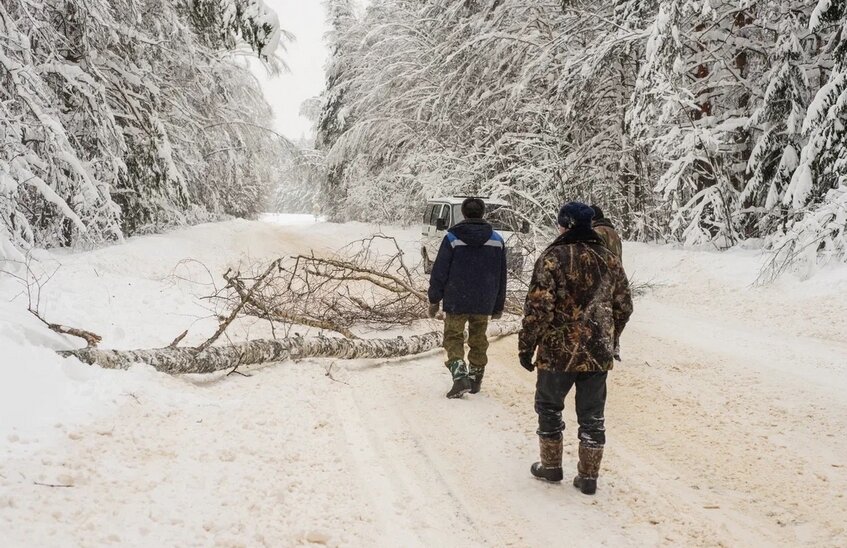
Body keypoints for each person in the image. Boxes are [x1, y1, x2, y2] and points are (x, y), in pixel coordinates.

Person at [518, 201, 633, 495]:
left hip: (557, 351)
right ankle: (588, 476)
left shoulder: (553, 258)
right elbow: (624, 306)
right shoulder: (610, 260)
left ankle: (551, 466)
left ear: (566, 225)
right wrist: (610, 335)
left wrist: (526, 345)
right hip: (597, 352)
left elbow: (538, 308)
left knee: (549, 407)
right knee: (592, 415)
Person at [428, 197, 508, 398]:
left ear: (463, 213)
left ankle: (459, 375)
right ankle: (475, 378)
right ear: (483, 213)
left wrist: (434, 299)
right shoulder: (497, 240)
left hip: (457, 298)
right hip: (484, 299)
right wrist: (498, 305)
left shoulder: (452, 238)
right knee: (478, 338)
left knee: (453, 337)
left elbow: (440, 270)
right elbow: (501, 275)